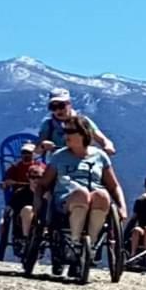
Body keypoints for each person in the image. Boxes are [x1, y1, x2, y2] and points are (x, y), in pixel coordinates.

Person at [37, 116, 127, 270]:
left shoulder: (100, 156)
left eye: (70, 131)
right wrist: (38, 203)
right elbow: (43, 184)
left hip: (94, 199)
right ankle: (75, 243)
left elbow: (114, 186)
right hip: (66, 201)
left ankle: (90, 247)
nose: (66, 135)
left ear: (83, 134)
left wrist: (122, 207)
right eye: (65, 131)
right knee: (82, 193)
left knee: (102, 195)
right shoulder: (59, 156)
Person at [37, 88, 115, 156]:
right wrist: (43, 146)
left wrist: (108, 146)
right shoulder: (48, 125)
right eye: (53, 107)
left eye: (61, 106)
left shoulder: (83, 121)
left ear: (69, 104)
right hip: (57, 166)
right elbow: (36, 150)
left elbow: (103, 140)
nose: (58, 110)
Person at [0, 142, 40, 239]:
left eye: (29, 153)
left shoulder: (39, 166)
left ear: (33, 154)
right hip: (20, 195)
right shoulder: (15, 167)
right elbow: (6, 181)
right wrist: (6, 184)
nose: (26, 155)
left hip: (37, 193)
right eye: (24, 153)